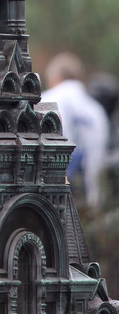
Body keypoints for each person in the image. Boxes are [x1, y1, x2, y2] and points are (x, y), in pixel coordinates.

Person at [42, 51, 110, 209]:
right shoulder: (96, 110)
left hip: (54, 192)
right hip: (90, 195)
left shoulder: (47, 100)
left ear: (54, 78)